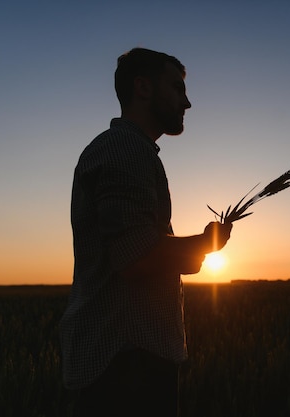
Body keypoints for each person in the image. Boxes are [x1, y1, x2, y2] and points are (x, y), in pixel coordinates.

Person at [59, 48, 232, 417]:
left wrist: (192, 253)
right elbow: (135, 260)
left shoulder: (129, 150)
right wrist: (204, 243)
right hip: (125, 360)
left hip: (124, 358)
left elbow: (138, 247)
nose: (187, 102)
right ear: (143, 88)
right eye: (176, 87)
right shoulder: (126, 150)